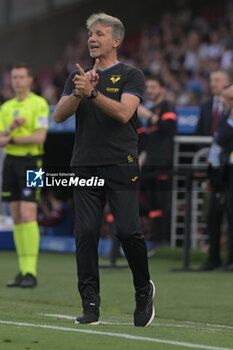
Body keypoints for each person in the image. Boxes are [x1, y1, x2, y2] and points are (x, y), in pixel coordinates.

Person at [54, 13, 155, 327]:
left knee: (127, 231)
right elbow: (59, 115)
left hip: (121, 164)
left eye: (99, 34)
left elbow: (125, 114)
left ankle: (143, 289)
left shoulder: (131, 74)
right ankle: (91, 305)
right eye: (89, 35)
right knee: (85, 233)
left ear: (116, 40)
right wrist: (79, 92)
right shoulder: (79, 76)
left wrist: (94, 94)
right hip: (84, 163)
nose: (92, 39)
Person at [0, 63, 49, 287]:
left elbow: (39, 138)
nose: (17, 81)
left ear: (30, 80)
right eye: (14, 77)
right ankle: (22, 271)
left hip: (33, 161)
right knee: (16, 215)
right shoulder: (6, 107)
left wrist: (9, 138)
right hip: (10, 162)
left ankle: (31, 272)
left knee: (29, 213)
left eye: (21, 77)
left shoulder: (39, 104)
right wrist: (10, 128)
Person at [196, 71, 230, 270]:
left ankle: (229, 258)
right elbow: (200, 136)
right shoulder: (206, 106)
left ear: (227, 82)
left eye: (217, 80)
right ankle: (213, 256)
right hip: (212, 167)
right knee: (212, 213)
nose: (213, 84)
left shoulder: (230, 106)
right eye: (211, 80)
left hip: (227, 166)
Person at [138, 75, 177, 247]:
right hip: (150, 164)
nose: (150, 90)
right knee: (152, 205)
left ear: (162, 89)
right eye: (148, 87)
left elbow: (169, 127)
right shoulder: (152, 108)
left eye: (153, 87)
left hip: (163, 164)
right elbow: (149, 139)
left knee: (163, 204)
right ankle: (156, 240)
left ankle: (166, 241)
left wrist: (148, 115)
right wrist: (143, 156)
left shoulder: (166, 105)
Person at [216, 84, 233, 271]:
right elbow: (221, 140)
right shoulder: (226, 117)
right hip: (228, 171)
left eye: (229, 99)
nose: (225, 102)